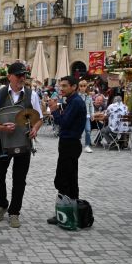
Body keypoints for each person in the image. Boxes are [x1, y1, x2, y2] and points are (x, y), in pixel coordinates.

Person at [0, 62, 43, 228]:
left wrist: (34, 129)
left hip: (24, 141)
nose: (22, 78)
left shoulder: (31, 94)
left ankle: (14, 212)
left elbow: (39, 118)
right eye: (19, 75)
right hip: (3, 141)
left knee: (19, 179)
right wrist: (0, 127)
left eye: (24, 75)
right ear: (9, 77)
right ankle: (2, 203)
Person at [47, 76, 87, 224]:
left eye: (64, 86)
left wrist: (54, 110)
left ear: (74, 87)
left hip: (70, 143)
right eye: (60, 86)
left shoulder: (76, 102)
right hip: (69, 142)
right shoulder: (72, 101)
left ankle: (64, 214)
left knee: (63, 179)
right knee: (70, 178)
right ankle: (69, 211)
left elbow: (63, 122)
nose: (61, 88)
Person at [78, 80, 94, 153]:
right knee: (78, 131)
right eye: (81, 86)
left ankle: (87, 145)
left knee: (88, 130)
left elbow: (91, 106)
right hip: (78, 116)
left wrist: (92, 114)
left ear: (86, 87)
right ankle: (77, 144)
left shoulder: (89, 96)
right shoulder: (77, 96)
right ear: (79, 87)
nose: (82, 88)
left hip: (87, 116)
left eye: (84, 86)